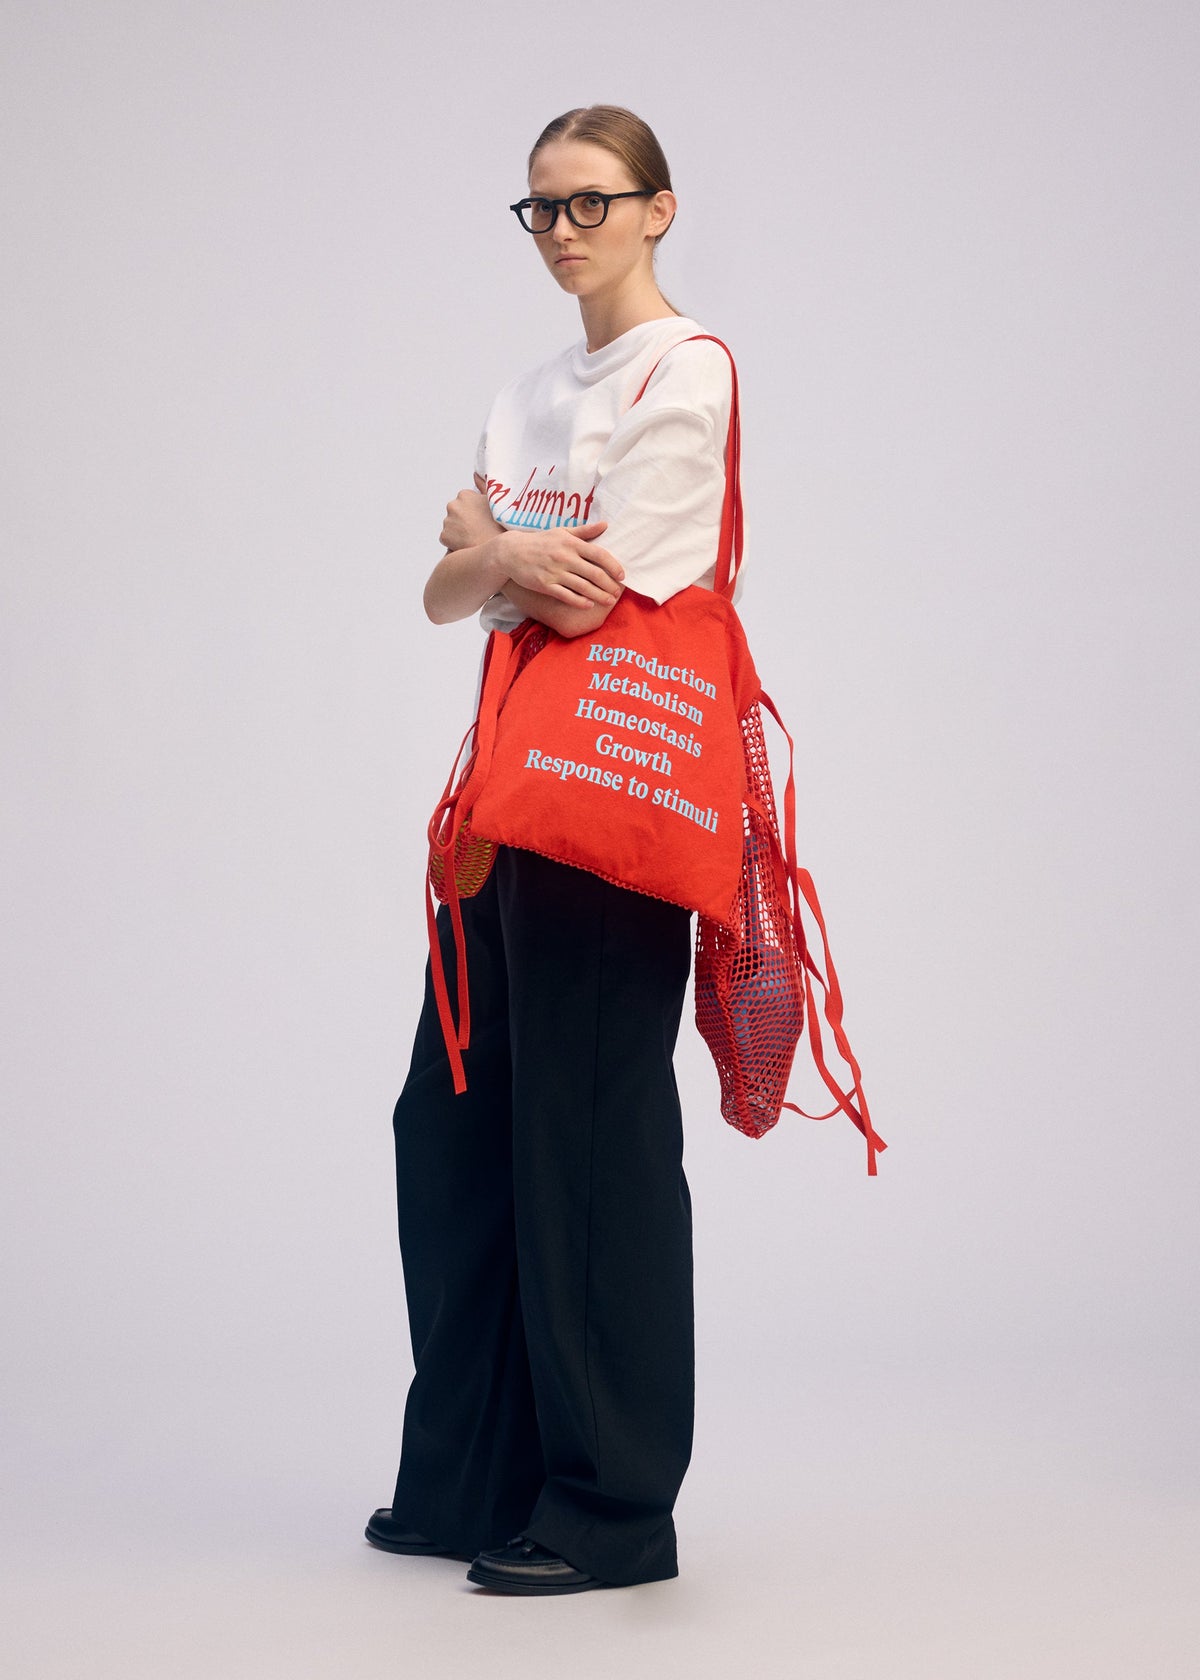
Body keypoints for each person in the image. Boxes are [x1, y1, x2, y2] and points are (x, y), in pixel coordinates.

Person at [365, 105, 740, 1595]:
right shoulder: (527, 389)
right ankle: (472, 1474)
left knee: (587, 1142)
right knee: (451, 1121)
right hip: (509, 798)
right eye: (541, 209)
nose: (565, 230)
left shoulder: (685, 368)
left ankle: (610, 1510)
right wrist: (501, 560)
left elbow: (587, 596)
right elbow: (441, 591)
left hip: (604, 794)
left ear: (658, 209)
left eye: (592, 202)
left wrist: (498, 548)